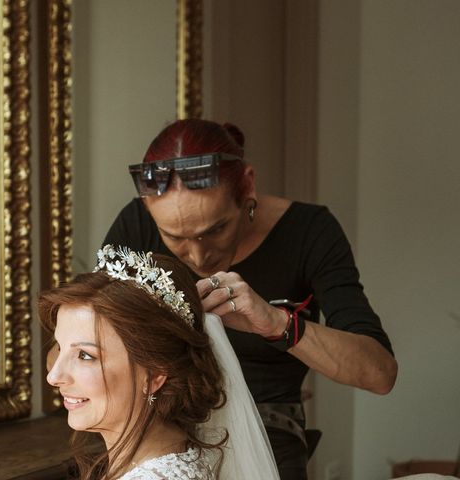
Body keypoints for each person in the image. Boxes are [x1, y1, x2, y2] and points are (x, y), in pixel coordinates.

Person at [103, 118, 398, 479]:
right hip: (159, 425)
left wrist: (275, 323)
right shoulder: (134, 226)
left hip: (270, 425)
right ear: (148, 210)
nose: (198, 257)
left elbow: (379, 374)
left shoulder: (309, 232)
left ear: (248, 188)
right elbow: (72, 344)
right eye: (173, 236)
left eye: (217, 228)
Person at [39, 245, 280, 479]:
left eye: (85, 355)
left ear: (155, 374)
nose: (54, 376)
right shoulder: (173, 453)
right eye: (59, 347)